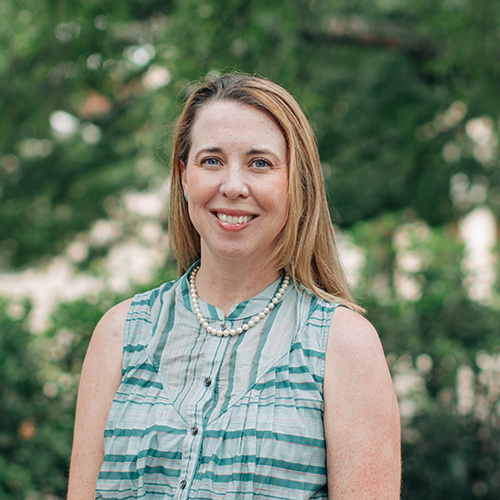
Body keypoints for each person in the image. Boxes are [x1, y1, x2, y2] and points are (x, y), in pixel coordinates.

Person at [68, 73, 401, 499]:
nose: (233, 186)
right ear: (184, 176)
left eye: (260, 163)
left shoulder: (344, 346)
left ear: (294, 183)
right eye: (211, 161)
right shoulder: (119, 334)